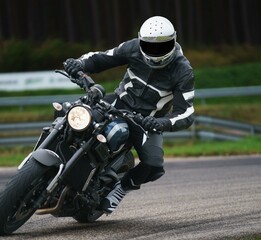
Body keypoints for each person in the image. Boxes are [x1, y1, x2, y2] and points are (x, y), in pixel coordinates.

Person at [63, 16, 195, 214]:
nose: (156, 51)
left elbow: (186, 112)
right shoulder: (132, 48)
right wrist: (79, 64)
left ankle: (121, 188)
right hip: (116, 103)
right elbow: (101, 58)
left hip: (147, 122)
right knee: (72, 113)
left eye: (162, 46)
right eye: (150, 46)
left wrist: (161, 122)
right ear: (140, 40)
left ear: (174, 41)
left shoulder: (183, 70)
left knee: (153, 164)